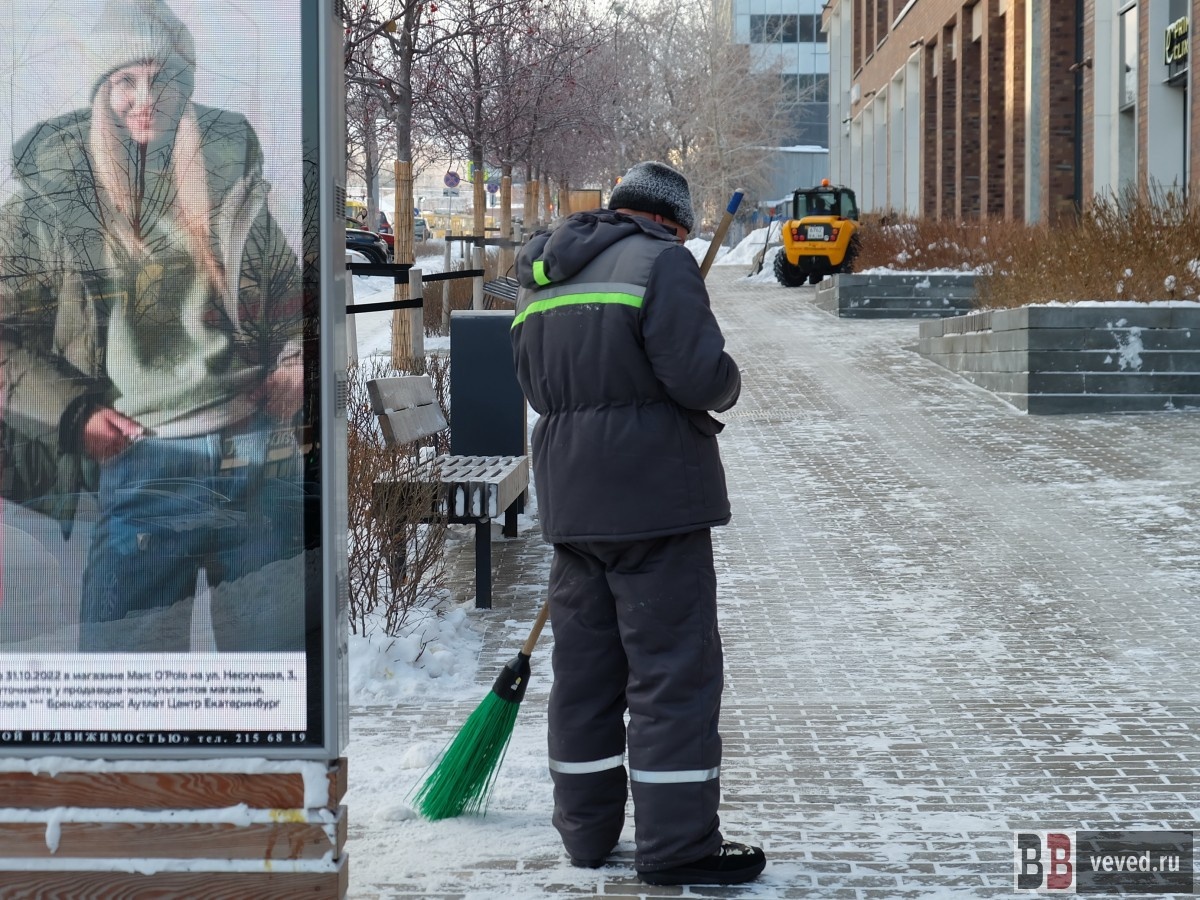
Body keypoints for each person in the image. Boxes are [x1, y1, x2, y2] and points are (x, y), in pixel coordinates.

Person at [0, 0, 306, 652]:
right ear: (101, 90)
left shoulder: (229, 180)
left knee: (271, 675)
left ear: (184, 86)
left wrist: (295, 360)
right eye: (125, 81)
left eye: (161, 79)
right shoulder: (52, 201)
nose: (145, 99)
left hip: (255, 456)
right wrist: (72, 413)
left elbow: (291, 300)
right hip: (142, 462)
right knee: (125, 677)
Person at [509, 161, 766, 886]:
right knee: (673, 676)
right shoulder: (664, 263)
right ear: (670, 222)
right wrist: (728, 379)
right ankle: (678, 847)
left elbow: (534, 384)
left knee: (585, 678)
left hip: (572, 503)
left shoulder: (543, 275)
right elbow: (698, 376)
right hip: (656, 502)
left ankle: (586, 835)